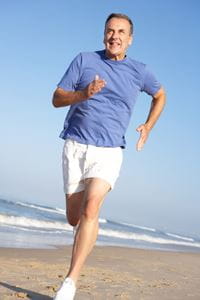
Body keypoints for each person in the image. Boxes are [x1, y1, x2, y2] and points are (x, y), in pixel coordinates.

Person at [52, 13, 166, 300]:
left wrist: (148, 126)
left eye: (121, 32)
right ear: (104, 34)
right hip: (76, 146)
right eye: (110, 31)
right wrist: (82, 95)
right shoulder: (84, 60)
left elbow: (160, 94)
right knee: (74, 218)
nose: (114, 36)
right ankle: (84, 234)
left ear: (130, 39)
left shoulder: (140, 71)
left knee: (92, 208)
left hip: (110, 150)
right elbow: (56, 98)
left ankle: (70, 283)